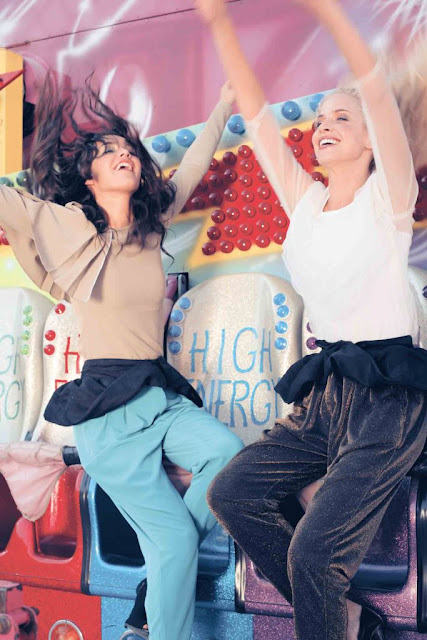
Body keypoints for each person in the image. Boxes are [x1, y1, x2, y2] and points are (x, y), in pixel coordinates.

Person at [195, 1, 427, 639]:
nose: (325, 125)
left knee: (315, 555)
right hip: (324, 394)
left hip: (387, 401)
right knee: (232, 493)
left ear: (372, 140)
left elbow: (373, 84)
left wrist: (326, 10)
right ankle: (342, 615)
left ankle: (334, 615)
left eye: (342, 118)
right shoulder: (305, 202)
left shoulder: (389, 196)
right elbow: (255, 114)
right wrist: (219, 24)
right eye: (320, 119)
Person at [0, 77, 243, 640]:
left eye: (128, 149)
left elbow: (194, 164)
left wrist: (225, 102)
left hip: (161, 398)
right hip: (108, 416)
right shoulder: (68, 231)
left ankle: (154, 585)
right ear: (89, 179)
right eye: (109, 152)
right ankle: (159, 603)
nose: (125, 155)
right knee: (175, 542)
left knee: (228, 457)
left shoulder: (150, 227)